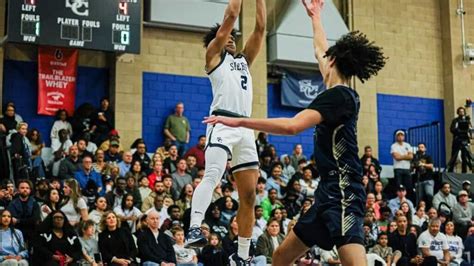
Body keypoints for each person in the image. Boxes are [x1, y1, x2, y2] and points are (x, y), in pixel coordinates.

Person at [204, 1, 386, 265]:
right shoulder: (336, 87)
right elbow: (319, 47)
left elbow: (292, 126)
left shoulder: (339, 97)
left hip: (345, 193)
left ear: (332, 61)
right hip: (326, 193)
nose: (322, 58)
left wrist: (241, 123)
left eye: (327, 58)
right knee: (280, 257)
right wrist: (316, 16)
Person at [186, 0, 267, 264]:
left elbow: (260, 28)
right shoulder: (213, 57)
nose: (231, 38)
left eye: (234, 36)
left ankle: (242, 255)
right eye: (227, 35)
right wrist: (228, 23)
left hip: (244, 128)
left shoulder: (243, 61)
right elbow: (232, 14)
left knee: (249, 195)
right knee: (212, 175)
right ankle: (195, 227)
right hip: (221, 122)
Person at [447, 107, 473, 173]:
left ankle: (464, 172)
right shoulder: (455, 120)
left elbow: (470, 129)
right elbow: (452, 129)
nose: (461, 112)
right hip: (457, 140)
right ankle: (450, 171)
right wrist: (458, 130)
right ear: (458, 112)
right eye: (460, 111)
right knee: (454, 156)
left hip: (465, 139)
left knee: (464, 157)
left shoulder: (467, 121)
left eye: (462, 111)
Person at [391, 130, 414, 201]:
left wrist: (401, 156)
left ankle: (407, 201)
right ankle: (398, 200)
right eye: (398, 135)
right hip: (398, 169)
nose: (400, 136)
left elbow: (411, 157)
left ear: (404, 136)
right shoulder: (393, 146)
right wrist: (406, 156)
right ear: (396, 137)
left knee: (408, 187)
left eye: (402, 135)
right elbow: (396, 157)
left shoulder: (408, 145)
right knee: (398, 186)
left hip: (407, 169)